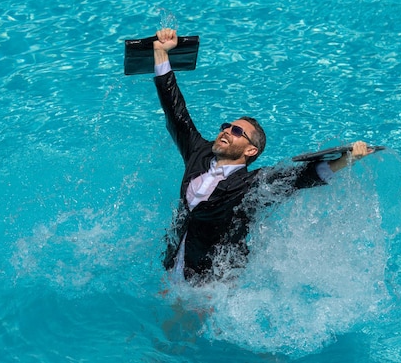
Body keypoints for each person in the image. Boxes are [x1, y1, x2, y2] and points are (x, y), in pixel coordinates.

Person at [153, 28, 371, 284]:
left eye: (236, 131)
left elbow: (297, 178)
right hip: (174, 267)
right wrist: (160, 53)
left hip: (210, 283)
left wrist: (347, 159)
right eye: (225, 126)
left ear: (250, 150)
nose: (225, 132)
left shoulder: (251, 184)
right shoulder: (198, 152)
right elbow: (175, 111)